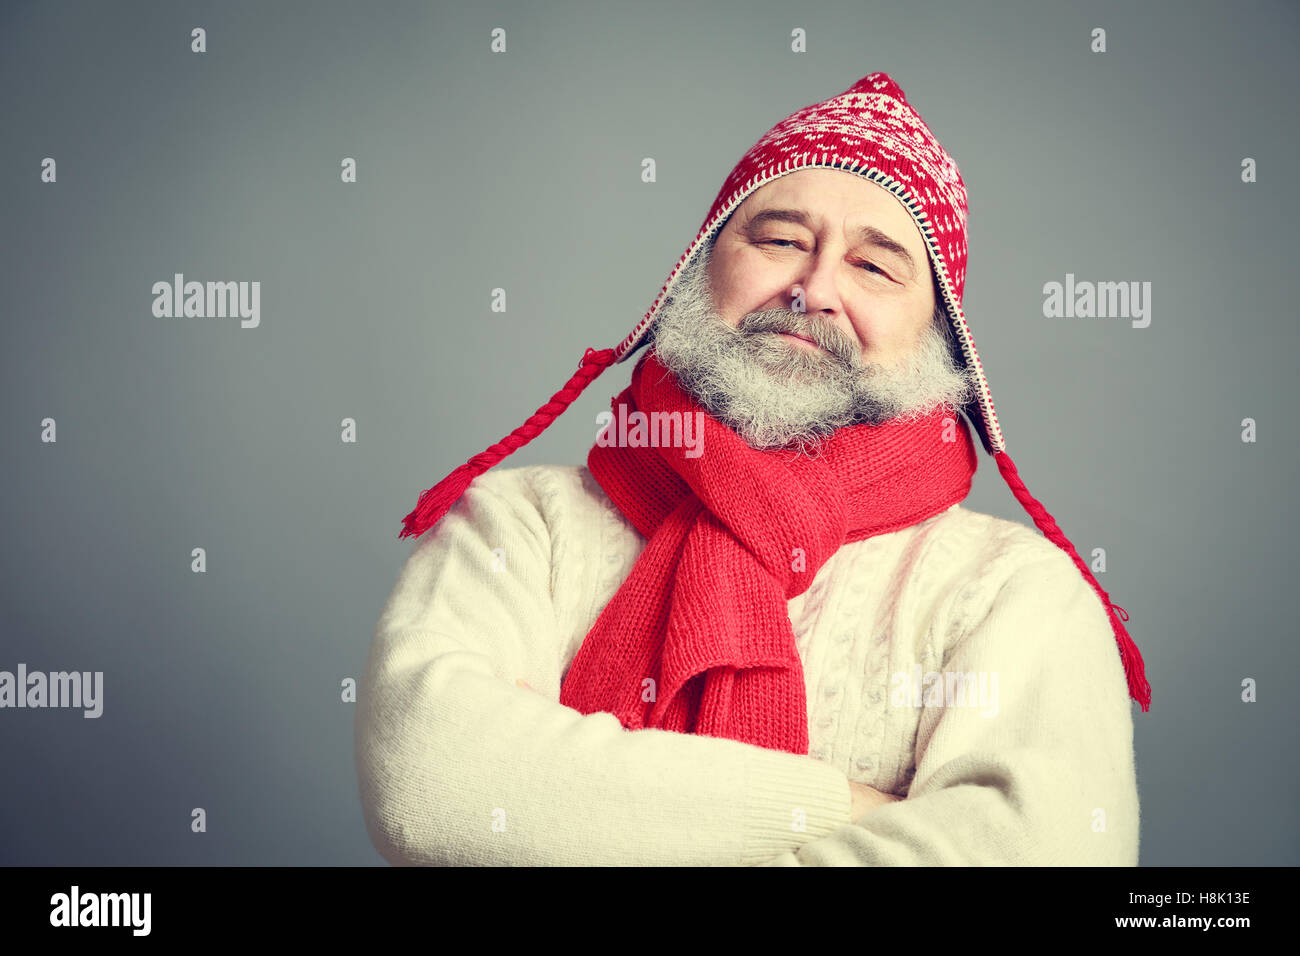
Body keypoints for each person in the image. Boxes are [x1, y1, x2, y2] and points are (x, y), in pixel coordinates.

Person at [355, 71, 1151, 866]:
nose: (813, 291)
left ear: (938, 338)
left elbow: (1042, 850)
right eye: (779, 241)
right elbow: (430, 786)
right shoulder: (517, 523)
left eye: (874, 267)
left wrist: (570, 801)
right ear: (699, 272)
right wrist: (845, 808)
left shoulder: (1013, 591)